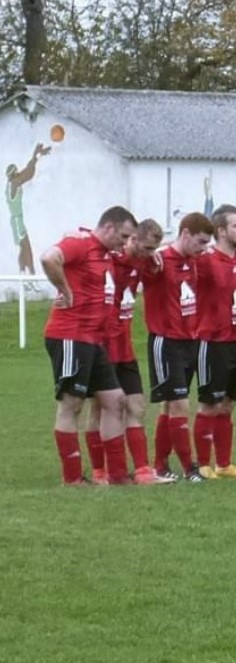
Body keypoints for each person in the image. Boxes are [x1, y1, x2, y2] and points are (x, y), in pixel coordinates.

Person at [40, 206, 136, 485]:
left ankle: (118, 475)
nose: (125, 242)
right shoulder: (81, 244)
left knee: (114, 400)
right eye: (123, 235)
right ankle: (72, 479)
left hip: (93, 340)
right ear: (108, 227)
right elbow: (49, 258)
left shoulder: (107, 254)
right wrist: (66, 291)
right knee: (72, 404)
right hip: (70, 334)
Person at [85, 217, 175, 485]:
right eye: (147, 248)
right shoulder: (110, 259)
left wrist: (154, 256)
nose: (151, 254)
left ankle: (143, 471)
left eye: (153, 249)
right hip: (100, 345)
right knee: (99, 409)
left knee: (136, 405)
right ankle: (101, 471)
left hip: (124, 347)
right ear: (132, 239)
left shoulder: (144, 261)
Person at [142, 212, 214, 482]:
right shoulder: (159, 260)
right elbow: (135, 261)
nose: (203, 247)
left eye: (207, 243)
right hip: (166, 340)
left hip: (190, 340)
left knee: (170, 407)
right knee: (180, 405)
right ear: (184, 234)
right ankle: (189, 468)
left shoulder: (195, 260)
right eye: (200, 241)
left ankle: (160, 465)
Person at [191, 205, 236, 480]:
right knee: (209, 404)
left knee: (228, 404)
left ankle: (224, 463)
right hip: (213, 341)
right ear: (221, 231)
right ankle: (203, 464)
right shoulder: (205, 260)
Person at [6, 142, 50, 279]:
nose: (18, 173)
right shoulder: (14, 183)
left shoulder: (12, 183)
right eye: (16, 172)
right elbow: (29, 172)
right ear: (13, 174)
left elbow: (27, 171)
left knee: (23, 249)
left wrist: (36, 156)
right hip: (18, 221)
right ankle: (31, 277)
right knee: (27, 249)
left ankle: (23, 275)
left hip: (17, 220)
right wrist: (36, 155)